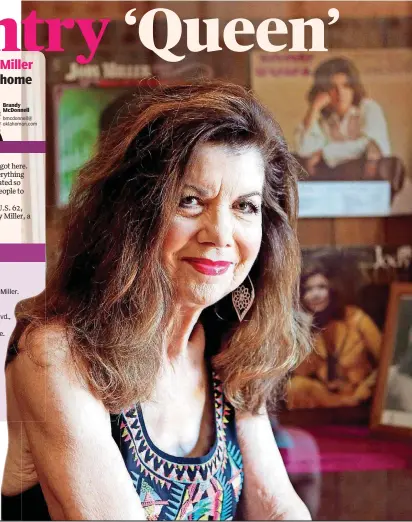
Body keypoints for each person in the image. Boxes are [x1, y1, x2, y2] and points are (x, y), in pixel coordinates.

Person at [1, 82, 312, 521]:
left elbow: (278, 508)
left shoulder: (229, 344)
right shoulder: (56, 353)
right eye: (190, 201)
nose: (220, 235)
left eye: (245, 206)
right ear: (132, 217)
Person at [294, 57, 404, 196]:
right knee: (295, 162)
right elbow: (304, 150)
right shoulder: (325, 120)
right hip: (335, 174)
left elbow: (371, 146)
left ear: (354, 88)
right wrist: (314, 108)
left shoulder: (368, 108)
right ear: (322, 92)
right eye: (333, 88)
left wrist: (325, 153)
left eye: (346, 86)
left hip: (364, 172)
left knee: (384, 164)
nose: (340, 93)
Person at [288, 261, 382, 409]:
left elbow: (387, 362)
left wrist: (365, 389)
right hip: (329, 396)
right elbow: (301, 372)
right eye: (308, 290)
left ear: (332, 289)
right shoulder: (308, 326)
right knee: (294, 386)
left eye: (321, 287)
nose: (315, 295)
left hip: (360, 392)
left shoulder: (357, 318)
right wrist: (306, 329)